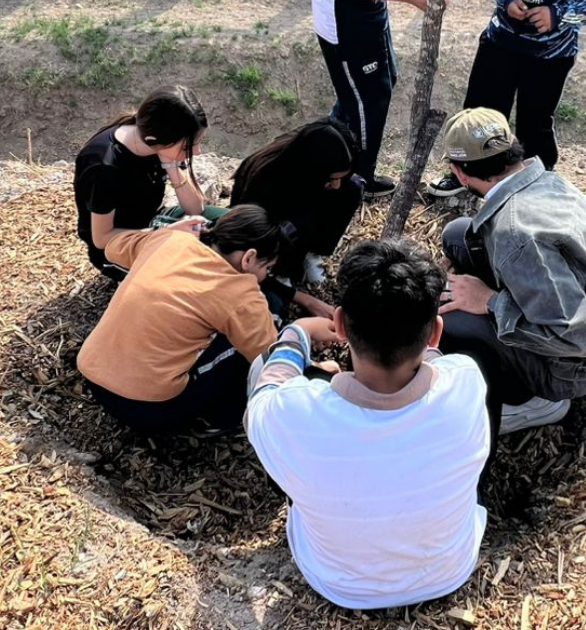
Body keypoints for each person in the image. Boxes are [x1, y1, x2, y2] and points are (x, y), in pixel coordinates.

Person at [245, 239, 490, 610]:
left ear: (340, 323)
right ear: (435, 332)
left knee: (262, 369)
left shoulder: (293, 411)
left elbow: (263, 397)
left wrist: (296, 335)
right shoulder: (468, 381)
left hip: (338, 583)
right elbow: (436, 363)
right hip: (448, 571)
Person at [436, 108, 586, 435]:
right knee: (459, 235)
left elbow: (577, 337)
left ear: (459, 173)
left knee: (447, 321)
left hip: (573, 365)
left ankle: (536, 403)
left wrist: (488, 300)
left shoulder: (514, 234)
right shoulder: (547, 180)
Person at [77, 205, 330, 436]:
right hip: (150, 410)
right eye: (267, 268)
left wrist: (166, 231)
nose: (265, 276)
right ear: (249, 258)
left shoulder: (172, 240)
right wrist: (307, 346)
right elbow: (269, 360)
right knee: (256, 332)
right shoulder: (240, 292)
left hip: (91, 373)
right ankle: (222, 419)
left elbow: (112, 248)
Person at [427, 0, 586, 196]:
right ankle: (468, 175)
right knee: (481, 113)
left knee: (535, 123)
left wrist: (559, 13)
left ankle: (538, 183)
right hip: (500, 42)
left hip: (552, 53)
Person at [74, 85, 222, 280]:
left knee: (229, 222)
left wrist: (171, 166)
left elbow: (195, 208)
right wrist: (163, 234)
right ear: (155, 139)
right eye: (189, 145)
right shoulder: (104, 167)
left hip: (153, 221)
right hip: (118, 248)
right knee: (195, 277)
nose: (197, 152)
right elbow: (101, 239)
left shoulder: (158, 145)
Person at [229, 118, 365, 318]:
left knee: (352, 188)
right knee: (298, 223)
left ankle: (311, 254)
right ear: (311, 169)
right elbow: (238, 252)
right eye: (330, 179)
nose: (336, 185)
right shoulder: (263, 181)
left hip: (300, 210)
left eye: (339, 177)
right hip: (268, 233)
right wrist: (297, 296)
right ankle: (278, 267)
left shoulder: (313, 172)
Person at [312, 0, 432, 198]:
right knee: (366, 103)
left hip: (368, 14)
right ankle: (360, 179)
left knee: (379, 85)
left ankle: (328, 153)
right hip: (346, 24)